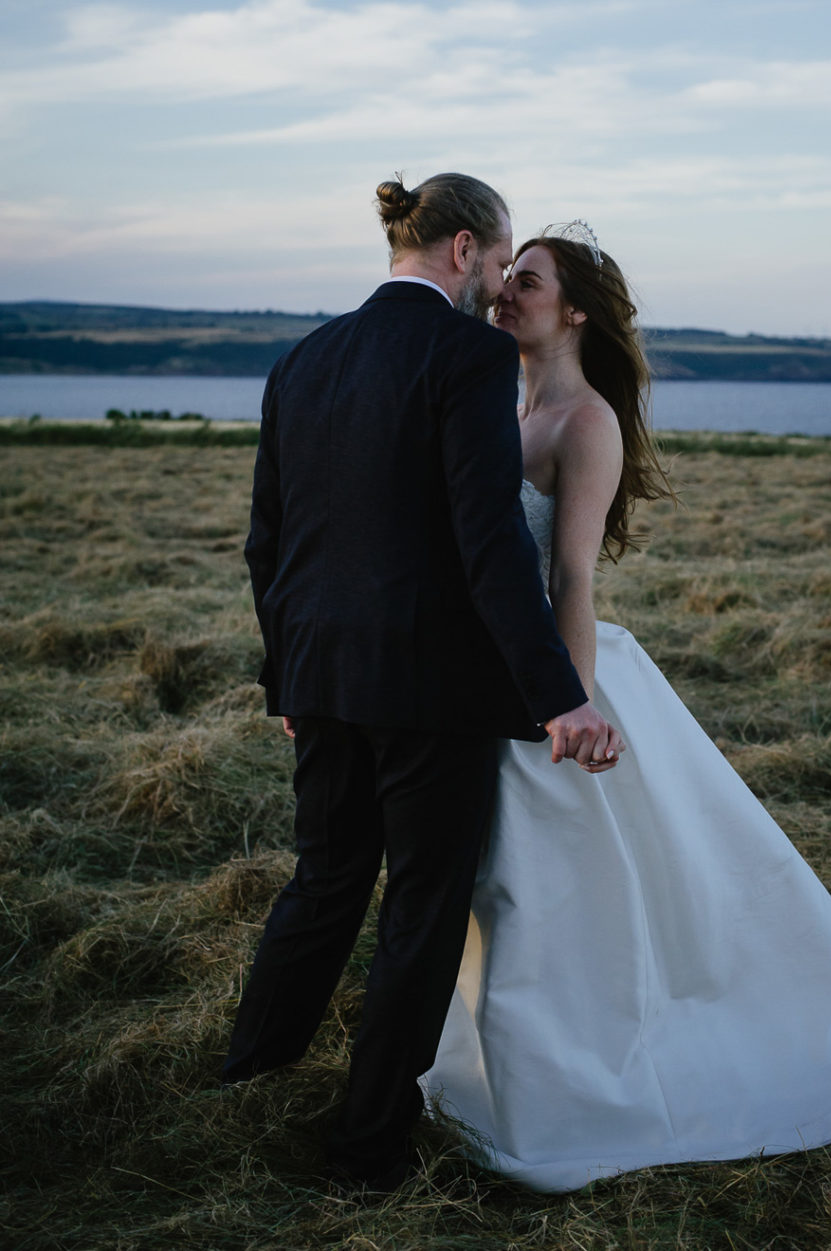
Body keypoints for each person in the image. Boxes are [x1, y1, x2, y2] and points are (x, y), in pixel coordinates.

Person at [423, 222, 831, 1192]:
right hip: (492, 685)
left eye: (530, 282)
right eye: (506, 278)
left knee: (548, 902)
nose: (507, 293)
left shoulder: (584, 422)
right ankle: (506, 1078)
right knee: (500, 897)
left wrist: (569, 704)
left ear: (576, 311)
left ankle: (568, 1091)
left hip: (552, 689)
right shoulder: (509, 411)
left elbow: (571, 577)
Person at [222, 178, 620, 1193]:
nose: (495, 288)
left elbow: (269, 542)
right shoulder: (470, 355)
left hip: (320, 676)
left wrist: (284, 679)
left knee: (323, 883)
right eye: (494, 265)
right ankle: (365, 1150)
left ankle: (244, 1073)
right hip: (430, 690)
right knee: (421, 912)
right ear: (458, 250)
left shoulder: (301, 358)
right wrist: (558, 693)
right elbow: (486, 537)